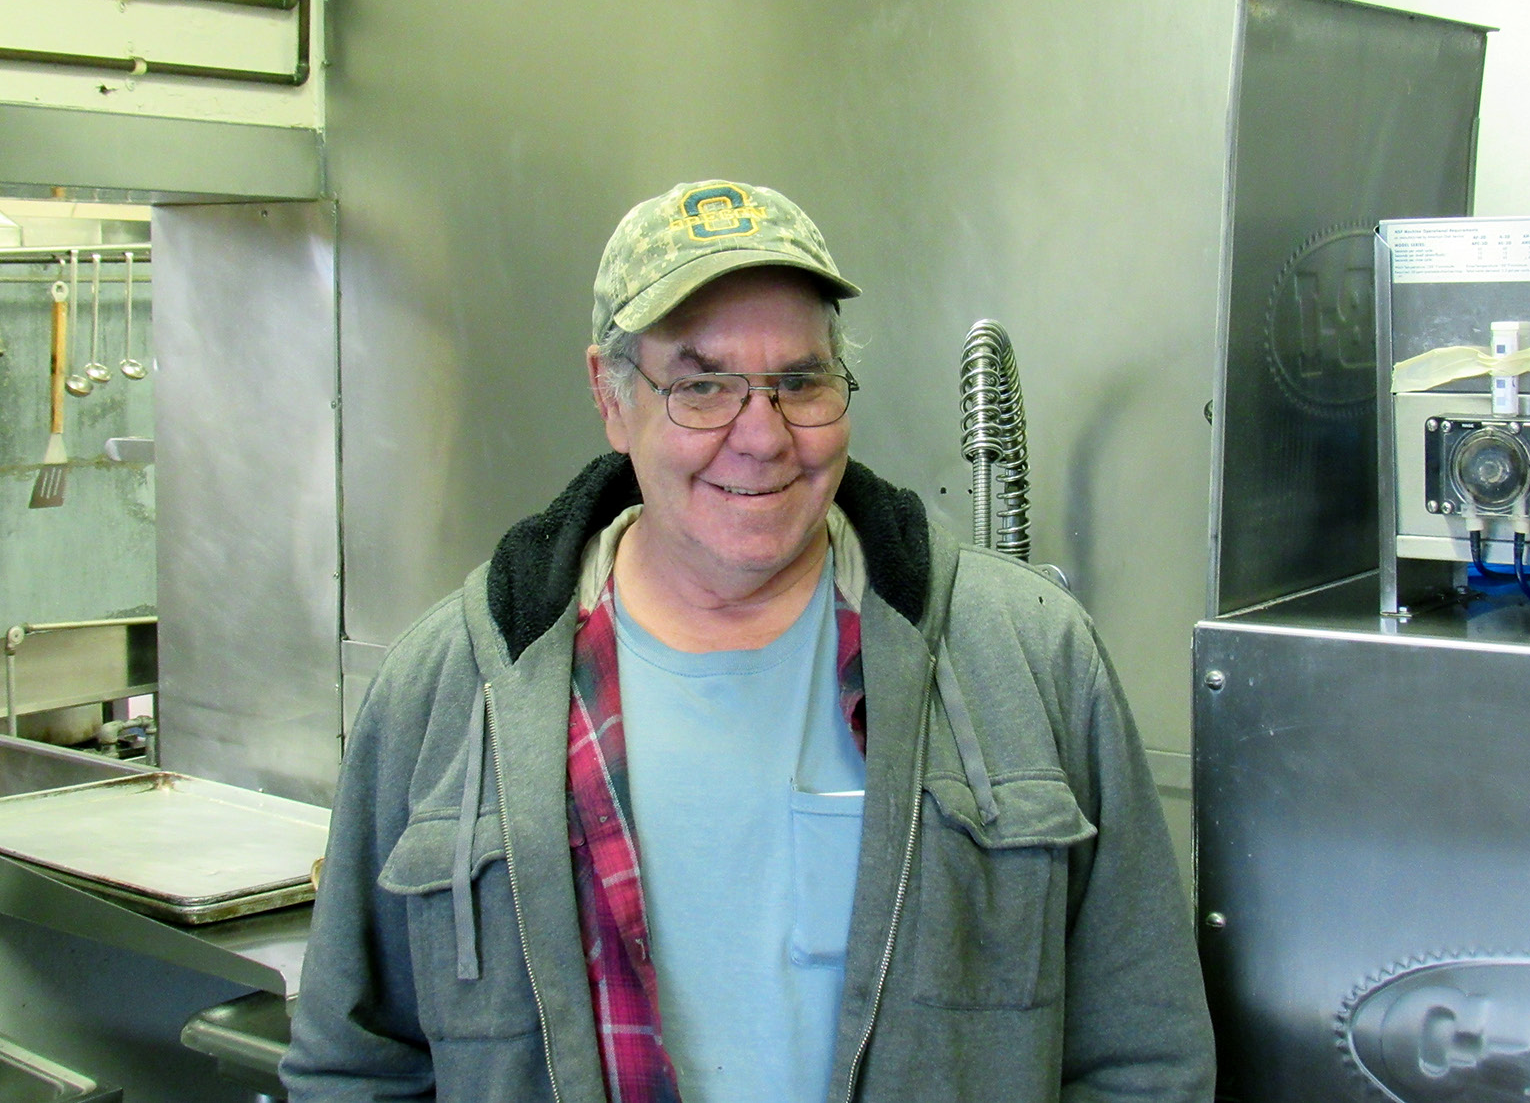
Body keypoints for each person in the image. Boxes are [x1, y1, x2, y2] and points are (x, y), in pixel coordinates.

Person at [280, 179, 1215, 1102]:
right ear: (611, 397)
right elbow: (354, 1069)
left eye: (799, 381)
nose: (762, 437)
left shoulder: (1032, 658)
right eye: (702, 386)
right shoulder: (448, 688)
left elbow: (1146, 1057)